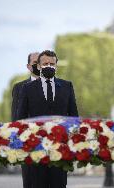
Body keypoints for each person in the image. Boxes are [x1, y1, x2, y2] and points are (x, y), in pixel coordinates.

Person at [17, 50, 78, 188]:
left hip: (60, 150)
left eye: (52, 63)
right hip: (36, 150)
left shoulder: (67, 86)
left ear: (56, 66)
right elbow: (20, 119)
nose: (49, 66)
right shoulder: (27, 88)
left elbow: (74, 117)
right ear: (38, 66)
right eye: (45, 63)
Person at [11, 52, 40, 122]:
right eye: (35, 62)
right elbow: (15, 117)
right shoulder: (18, 88)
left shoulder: (56, 86)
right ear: (29, 66)